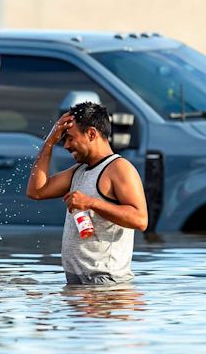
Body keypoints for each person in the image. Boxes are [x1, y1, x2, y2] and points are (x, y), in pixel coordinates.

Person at [26, 102, 148, 285]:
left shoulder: (120, 169)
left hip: (105, 283)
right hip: (78, 282)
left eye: (69, 138)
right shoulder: (79, 171)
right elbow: (36, 191)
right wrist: (50, 141)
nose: (66, 145)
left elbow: (140, 220)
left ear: (91, 133)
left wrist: (91, 203)